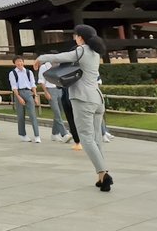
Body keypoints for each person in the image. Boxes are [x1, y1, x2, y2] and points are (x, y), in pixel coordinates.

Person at [36, 25, 113, 191]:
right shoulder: (95, 52)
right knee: (96, 138)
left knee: (86, 138)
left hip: (83, 99)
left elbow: (60, 57)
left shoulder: (82, 50)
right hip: (97, 98)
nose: (74, 38)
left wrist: (41, 58)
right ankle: (102, 176)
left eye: (76, 36)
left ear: (81, 37)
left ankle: (103, 173)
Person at [9, 56, 41, 143]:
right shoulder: (13, 73)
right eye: (17, 61)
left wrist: (35, 95)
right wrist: (18, 97)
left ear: (23, 62)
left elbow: (33, 84)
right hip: (19, 93)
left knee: (33, 115)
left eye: (21, 61)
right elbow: (14, 86)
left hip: (28, 93)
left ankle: (37, 135)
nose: (19, 63)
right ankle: (22, 135)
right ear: (15, 63)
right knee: (20, 115)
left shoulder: (28, 72)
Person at [38, 60, 68, 142]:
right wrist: (46, 92)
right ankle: (64, 133)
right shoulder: (44, 67)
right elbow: (41, 80)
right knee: (56, 112)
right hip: (50, 90)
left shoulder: (59, 65)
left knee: (60, 112)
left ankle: (54, 134)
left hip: (59, 89)